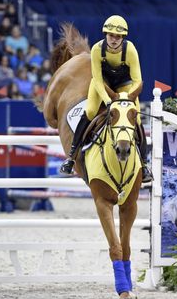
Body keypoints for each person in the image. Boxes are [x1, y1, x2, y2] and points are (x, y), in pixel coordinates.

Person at [60, 15, 153, 183]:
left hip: (125, 86)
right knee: (89, 111)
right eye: (111, 35)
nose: (114, 39)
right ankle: (71, 157)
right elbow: (96, 79)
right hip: (103, 85)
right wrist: (109, 101)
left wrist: (127, 98)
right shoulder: (97, 49)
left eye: (118, 36)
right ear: (106, 35)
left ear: (123, 37)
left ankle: (144, 164)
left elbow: (138, 80)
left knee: (136, 117)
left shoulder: (130, 49)